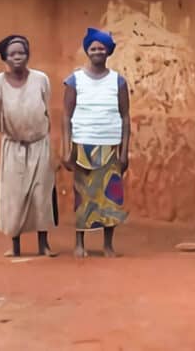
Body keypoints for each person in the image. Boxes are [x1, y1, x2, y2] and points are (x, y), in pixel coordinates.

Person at [0, 35, 56, 257]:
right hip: (12, 146)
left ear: (27, 55)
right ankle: (15, 246)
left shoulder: (41, 79)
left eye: (21, 53)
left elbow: (45, 104)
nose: (17, 57)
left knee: (41, 193)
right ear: (5, 57)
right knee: (14, 195)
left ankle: (44, 244)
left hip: (39, 144)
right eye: (12, 54)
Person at [62, 28, 130, 258]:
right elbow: (66, 117)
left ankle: (107, 245)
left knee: (111, 197)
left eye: (102, 48)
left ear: (108, 51)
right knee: (83, 196)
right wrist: (66, 149)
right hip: (82, 145)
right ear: (87, 51)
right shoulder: (75, 80)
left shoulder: (118, 81)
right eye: (94, 48)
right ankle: (79, 243)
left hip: (110, 145)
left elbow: (126, 117)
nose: (98, 51)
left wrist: (124, 151)